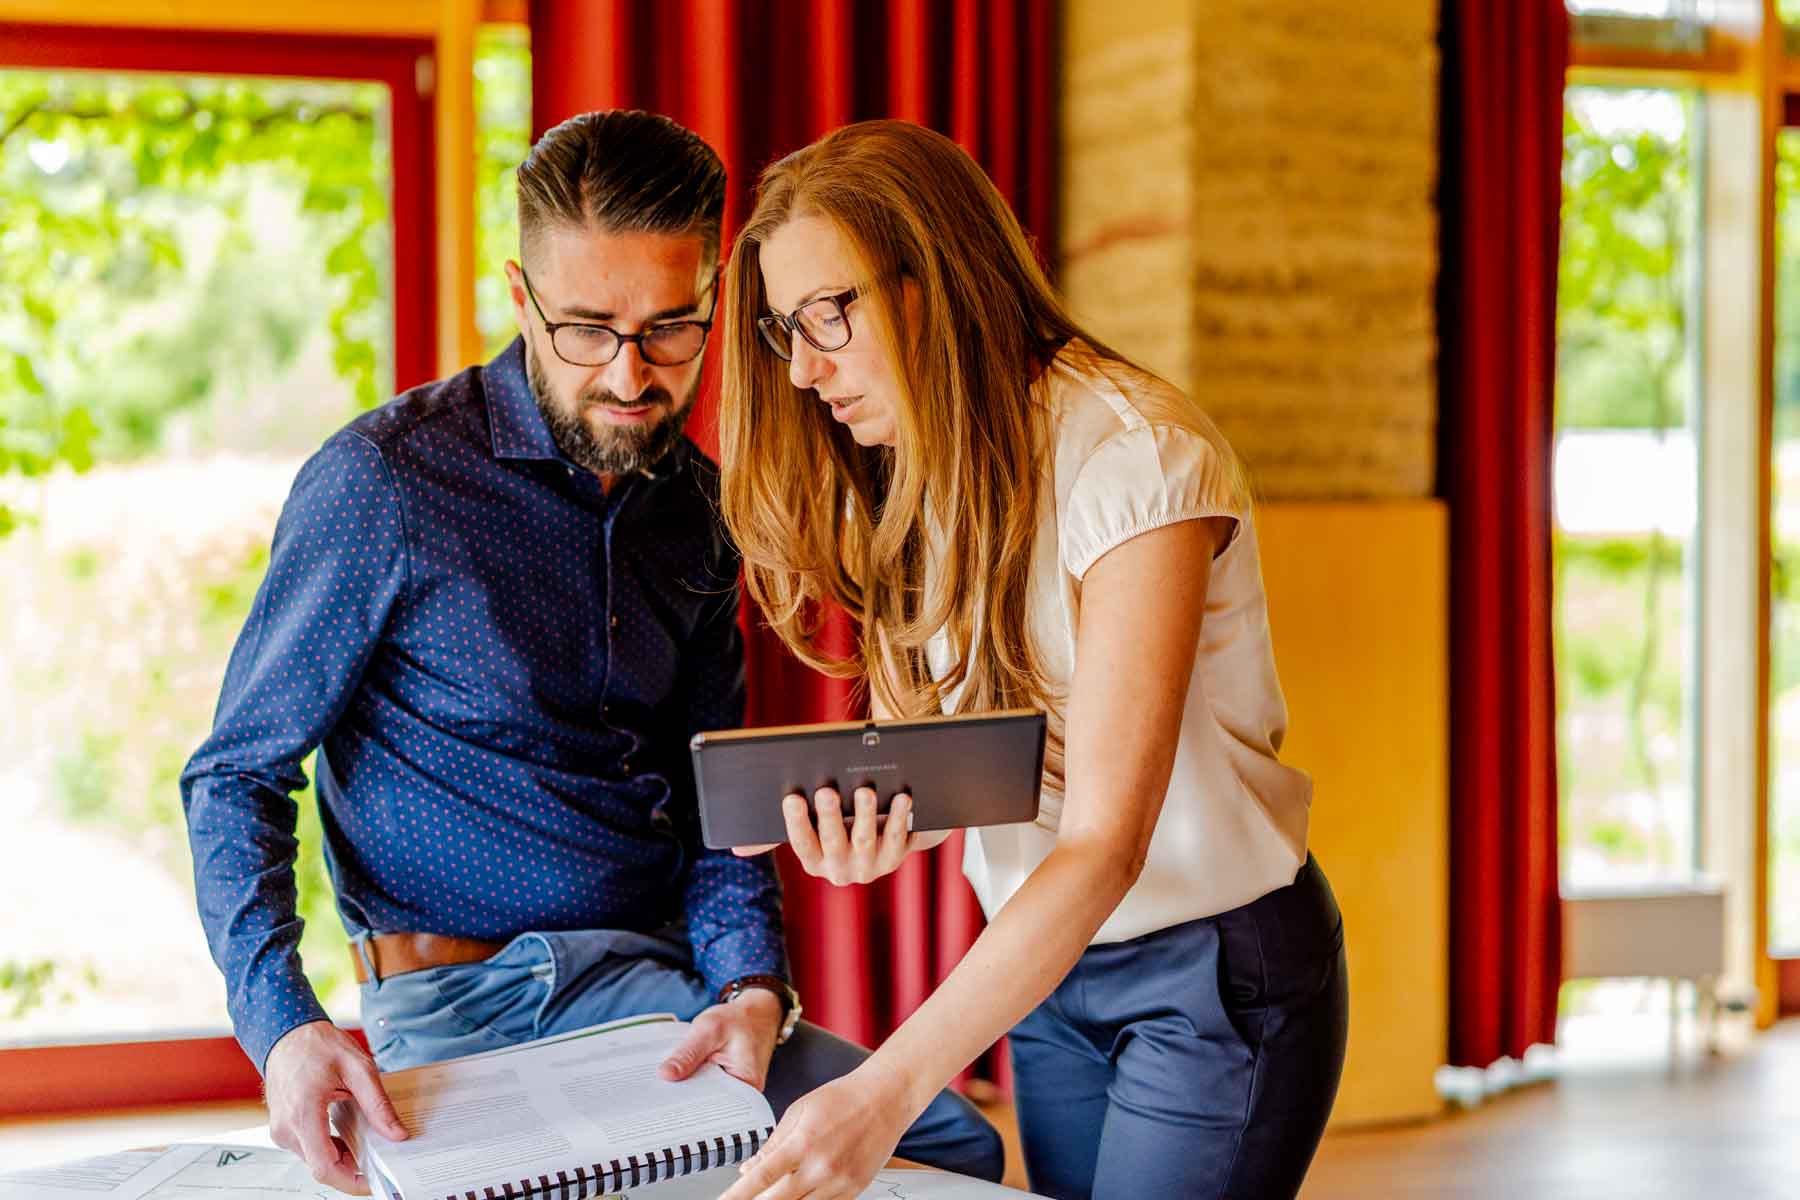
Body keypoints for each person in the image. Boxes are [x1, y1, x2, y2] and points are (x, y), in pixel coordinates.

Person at [180, 109, 1001, 1197]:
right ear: (522, 298)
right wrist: (284, 1027)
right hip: (461, 1008)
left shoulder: (701, 514)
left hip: (660, 995)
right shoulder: (387, 483)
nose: (628, 375)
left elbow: (713, 803)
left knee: (948, 1147)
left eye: (670, 330)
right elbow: (235, 773)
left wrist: (752, 988)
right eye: (585, 331)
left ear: (716, 299)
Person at [712, 119, 1349, 1200]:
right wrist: (888, 821)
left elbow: (1104, 844)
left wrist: (883, 1094)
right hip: (1048, 969)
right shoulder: (926, 462)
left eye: (829, 314)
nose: (807, 369)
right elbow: (1004, 762)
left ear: (933, 278)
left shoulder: (1137, 458)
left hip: (1211, 974)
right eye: (787, 330)